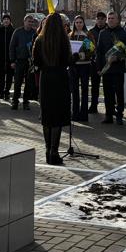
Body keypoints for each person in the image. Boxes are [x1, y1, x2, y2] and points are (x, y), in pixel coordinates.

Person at [32, 13, 72, 164]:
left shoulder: (39, 40)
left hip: (46, 79)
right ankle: (54, 152)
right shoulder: (63, 40)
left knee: (47, 116)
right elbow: (68, 60)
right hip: (60, 78)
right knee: (57, 117)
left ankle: (48, 149)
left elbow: (35, 60)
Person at [96, 11, 126, 124]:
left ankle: (119, 115)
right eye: (109, 18)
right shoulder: (102, 33)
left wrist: (118, 58)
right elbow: (99, 52)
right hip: (106, 69)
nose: (110, 20)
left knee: (119, 93)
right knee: (107, 93)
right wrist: (99, 68)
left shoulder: (124, 34)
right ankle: (108, 115)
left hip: (118, 69)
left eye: (112, 18)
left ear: (118, 20)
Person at [10, 14, 38, 110]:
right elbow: (12, 47)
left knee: (29, 83)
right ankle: (15, 101)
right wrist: (12, 60)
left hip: (30, 62)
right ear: (24, 21)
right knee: (17, 82)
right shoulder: (17, 32)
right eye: (28, 21)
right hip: (19, 61)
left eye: (31, 22)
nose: (30, 23)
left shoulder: (34, 33)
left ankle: (26, 101)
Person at [69, 15, 94, 123]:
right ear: (74, 24)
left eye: (80, 22)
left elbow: (92, 49)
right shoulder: (70, 35)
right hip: (74, 65)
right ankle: (75, 113)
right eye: (77, 22)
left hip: (85, 65)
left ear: (83, 23)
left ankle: (84, 115)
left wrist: (85, 55)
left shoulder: (87, 35)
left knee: (84, 89)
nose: (78, 24)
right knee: (74, 90)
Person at [0, 14, 16, 101]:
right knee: (1, 77)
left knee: (10, 77)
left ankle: (7, 92)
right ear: (2, 21)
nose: (6, 21)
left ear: (10, 21)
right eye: (4, 19)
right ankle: (1, 92)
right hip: (1, 58)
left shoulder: (13, 31)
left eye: (7, 19)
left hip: (10, 58)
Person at [87, 12, 106, 115]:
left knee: (108, 86)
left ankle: (110, 106)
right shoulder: (91, 32)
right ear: (96, 20)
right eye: (98, 18)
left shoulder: (108, 31)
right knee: (95, 85)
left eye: (102, 19)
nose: (100, 20)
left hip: (107, 61)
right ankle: (94, 105)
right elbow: (88, 46)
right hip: (94, 62)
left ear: (105, 19)